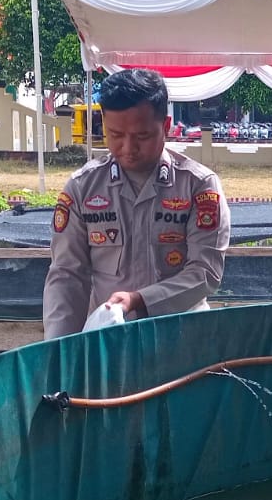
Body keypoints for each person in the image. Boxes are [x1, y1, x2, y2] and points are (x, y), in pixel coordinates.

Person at [44, 68, 230, 337]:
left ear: (165, 127)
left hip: (182, 335)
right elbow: (67, 276)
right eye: (115, 135)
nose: (128, 147)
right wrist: (58, 350)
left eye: (142, 136)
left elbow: (205, 273)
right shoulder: (83, 188)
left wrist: (141, 300)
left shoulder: (198, 186)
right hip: (110, 341)